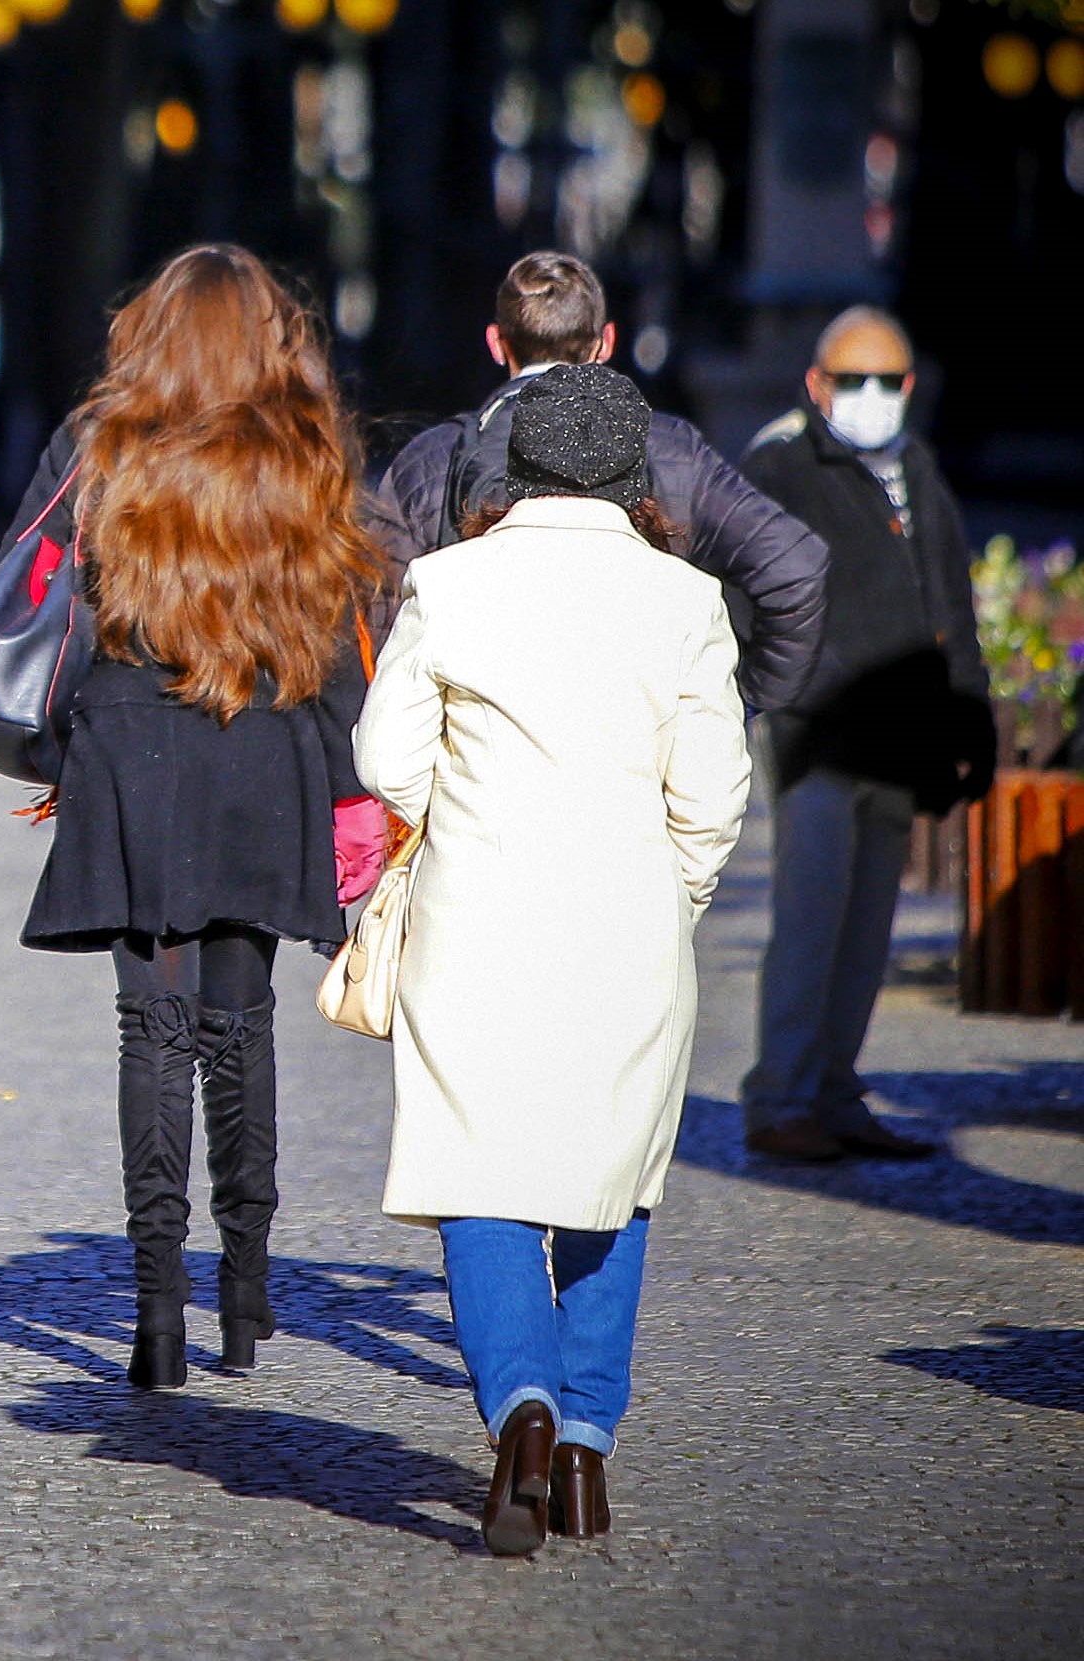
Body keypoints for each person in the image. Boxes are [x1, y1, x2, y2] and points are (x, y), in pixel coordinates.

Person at [355, 362, 753, 1556]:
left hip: (478, 916)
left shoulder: (448, 581)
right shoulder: (685, 602)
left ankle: (517, 1404)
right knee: (612, 1172)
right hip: (629, 923)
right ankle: (584, 1441)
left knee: (480, 1172)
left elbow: (383, 756)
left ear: (512, 468)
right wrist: (674, 893)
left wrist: (459, 814)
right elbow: (715, 794)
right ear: (637, 480)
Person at [9, 245, 385, 1390]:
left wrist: (61, 747)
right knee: (242, 1019)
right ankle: (247, 1289)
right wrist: (350, 783)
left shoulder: (101, 449)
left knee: (151, 1029)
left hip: (132, 748)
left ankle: (156, 1307)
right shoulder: (308, 458)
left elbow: (37, 601)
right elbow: (335, 632)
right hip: (263, 749)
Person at [734, 308, 993, 1164]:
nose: (873, 397)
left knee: (867, 931)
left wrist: (971, 716)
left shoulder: (915, 464)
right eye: (855, 381)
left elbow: (948, 598)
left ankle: (836, 1092)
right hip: (820, 740)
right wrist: (787, 695)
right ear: (818, 384)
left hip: (903, 739)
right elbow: (747, 598)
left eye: (888, 381)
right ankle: (781, 1098)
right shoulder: (780, 464)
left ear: (910, 387)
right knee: (810, 923)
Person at [366, 251, 827, 715]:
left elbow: (380, 617)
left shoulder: (429, 461)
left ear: (495, 341)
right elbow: (796, 567)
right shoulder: (669, 449)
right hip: (641, 752)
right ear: (605, 342)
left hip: (477, 760)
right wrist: (738, 702)